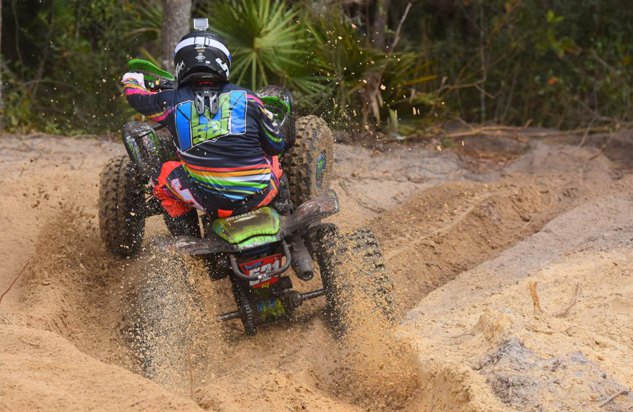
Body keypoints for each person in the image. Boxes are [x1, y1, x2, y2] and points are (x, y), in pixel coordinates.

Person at [121, 26, 291, 234]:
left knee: (163, 179)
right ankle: (286, 218)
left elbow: (135, 97)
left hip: (210, 203)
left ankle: (189, 242)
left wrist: (131, 79)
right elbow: (276, 145)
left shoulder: (171, 102)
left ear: (181, 64)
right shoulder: (249, 98)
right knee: (274, 158)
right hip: (259, 195)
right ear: (223, 62)